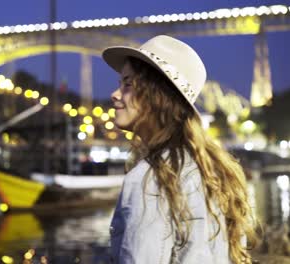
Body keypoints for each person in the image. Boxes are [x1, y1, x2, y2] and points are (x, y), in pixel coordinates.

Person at [102, 35, 257, 263]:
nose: (115, 95)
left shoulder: (150, 180)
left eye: (128, 84)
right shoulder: (213, 172)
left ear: (157, 96)